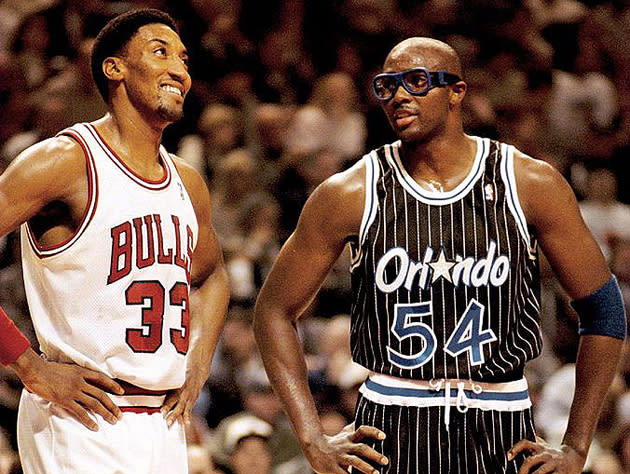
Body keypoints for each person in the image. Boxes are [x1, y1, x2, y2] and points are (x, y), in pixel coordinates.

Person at [253, 37, 626, 474]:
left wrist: (578, 445)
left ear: (457, 92)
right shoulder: (350, 191)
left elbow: (603, 309)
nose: (399, 96)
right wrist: (312, 437)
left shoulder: (530, 182)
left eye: (415, 81)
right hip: (391, 420)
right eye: (387, 86)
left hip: (502, 423)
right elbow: (273, 311)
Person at [0, 8, 229, 473]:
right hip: (79, 416)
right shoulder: (63, 162)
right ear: (114, 68)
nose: (179, 70)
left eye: (184, 60)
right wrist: (27, 365)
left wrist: (199, 362)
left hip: (163, 422)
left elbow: (213, 276)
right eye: (160, 53)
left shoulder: (187, 181)